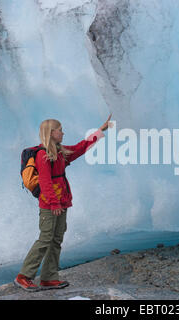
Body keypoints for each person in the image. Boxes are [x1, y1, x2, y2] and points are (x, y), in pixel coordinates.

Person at [14, 114, 112, 291]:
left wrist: (100, 131)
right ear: (51, 133)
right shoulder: (43, 155)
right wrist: (53, 203)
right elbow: (45, 181)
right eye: (60, 130)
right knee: (45, 239)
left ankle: (49, 277)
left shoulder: (59, 152)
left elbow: (80, 148)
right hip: (51, 204)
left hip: (61, 202)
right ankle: (24, 276)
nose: (63, 133)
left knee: (56, 240)